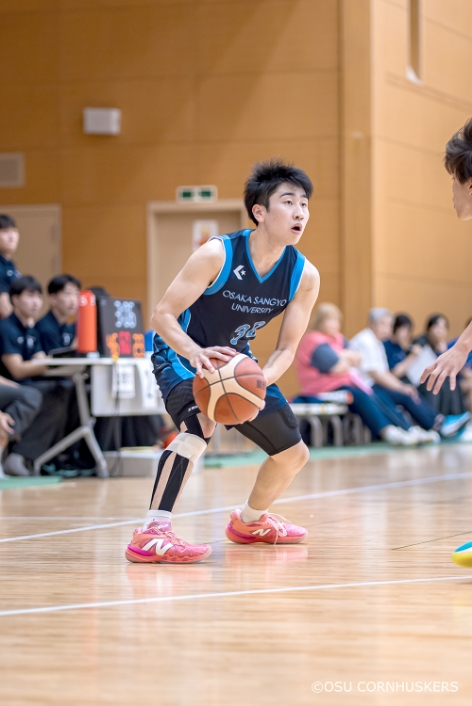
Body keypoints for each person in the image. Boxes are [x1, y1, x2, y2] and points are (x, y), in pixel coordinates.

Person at [126, 159, 320, 564]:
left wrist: (260, 380)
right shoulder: (217, 253)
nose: (300, 212)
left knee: (294, 454)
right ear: (260, 212)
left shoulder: (304, 275)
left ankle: (250, 521)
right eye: (288, 202)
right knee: (200, 426)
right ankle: (152, 532)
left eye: (304, 204)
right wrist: (194, 353)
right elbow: (162, 315)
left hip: (236, 361)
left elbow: (287, 349)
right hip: (182, 351)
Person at [296, 303, 427, 446]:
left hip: (345, 384)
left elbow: (358, 358)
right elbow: (336, 368)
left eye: (337, 320)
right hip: (323, 389)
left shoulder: (338, 338)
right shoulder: (313, 340)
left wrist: (340, 356)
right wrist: (347, 358)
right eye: (330, 320)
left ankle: (406, 429)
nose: (335, 324)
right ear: (320, 321)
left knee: (378, 395)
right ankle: (387, 431)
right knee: (360, 396)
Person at [0, 276, 74, 475]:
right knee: (33, 395)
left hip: (26, 384)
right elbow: (17, 369)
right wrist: (50, 363)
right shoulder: (6, 328)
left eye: (38, 297)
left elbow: (40, 358)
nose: (36, 302)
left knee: (59, 394)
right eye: (30, 296)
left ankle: (23, 455)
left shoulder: (31, 329)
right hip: (10, 385)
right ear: (15, 299)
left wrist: (54, 362)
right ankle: (7, 442)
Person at [350, 308, 456, 442]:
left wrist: (402, 386)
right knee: (404, 394)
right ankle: (423, 427)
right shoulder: (365, 340)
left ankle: (432, 423)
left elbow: (384, 373)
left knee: (408, 391)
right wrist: (401, 387)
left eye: (389, 325)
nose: (387, 329)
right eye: (383, 324)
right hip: (364, 386)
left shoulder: (377, 342)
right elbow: (376, 374)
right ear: (372, 324)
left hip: (373, 384)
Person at [415, 314, 470, 421]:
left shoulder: (444, 347)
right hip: (421, 381)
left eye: (443, 328)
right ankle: (440, 420)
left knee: (449, 381)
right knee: (440, 382)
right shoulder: (420, 343)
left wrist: (443, 351)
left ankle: (457, 418)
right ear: (429, 328)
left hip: (440, 381)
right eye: (437, 327)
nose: (440, 331)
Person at [36, 274, 80, 353]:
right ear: (53, 299)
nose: (73, 300)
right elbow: (56, 359)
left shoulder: (66, 327)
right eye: (67, 294)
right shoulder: (44, 327)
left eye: (76, 294)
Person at [0, 214, 21, 319]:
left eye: (14, 231)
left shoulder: (10, 265)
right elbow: (4, 309)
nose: (11, 237)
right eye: (5, 231)